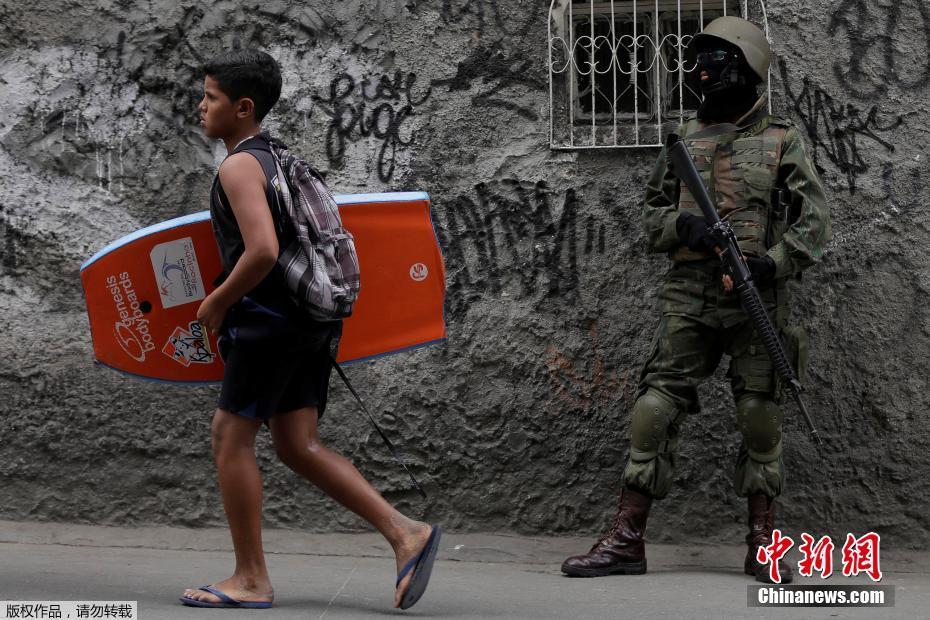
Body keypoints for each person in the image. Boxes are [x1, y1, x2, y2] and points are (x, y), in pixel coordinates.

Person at [561, 17, 831, 583]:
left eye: (717, 61)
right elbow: (650, 216)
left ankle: (764, 541)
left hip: (758, 298)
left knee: (760, 412)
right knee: (655, 406)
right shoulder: (683, 141)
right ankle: (627, 538)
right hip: (689, 295)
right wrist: (687, 230)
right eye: (699, 60)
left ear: (748, 69)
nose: (704, 71)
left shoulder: (783, 140)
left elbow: (814, 224)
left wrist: (769, 263)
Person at [179, 49, 440, 610]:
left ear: (243, 108)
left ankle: (250, 578)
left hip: (268, 323)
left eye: (211, 97)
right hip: (308, 322)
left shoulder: (238, 165)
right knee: (297, 444)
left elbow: (263, 251)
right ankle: (405, 533)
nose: (201, 106)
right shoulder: (279, 158)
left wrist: (215, 304)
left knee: (230, 438)